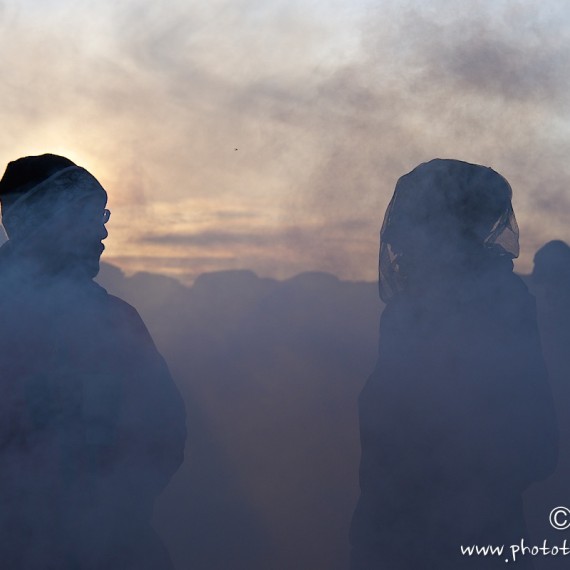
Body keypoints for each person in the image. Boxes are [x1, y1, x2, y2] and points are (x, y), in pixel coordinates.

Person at [349, 159, 557, 569]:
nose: (398, 236)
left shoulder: (495, 300)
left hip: (458, 525)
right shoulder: (416, 306)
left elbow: (526, 430)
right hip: (413, 521)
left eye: (412, 219)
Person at [0, 154, 187, 569]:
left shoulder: (114, 320)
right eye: (89, 214)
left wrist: (113, 512)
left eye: (104, 213)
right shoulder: (110, 322)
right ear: (42, 220)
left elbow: (164, 430)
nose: (103, 230)